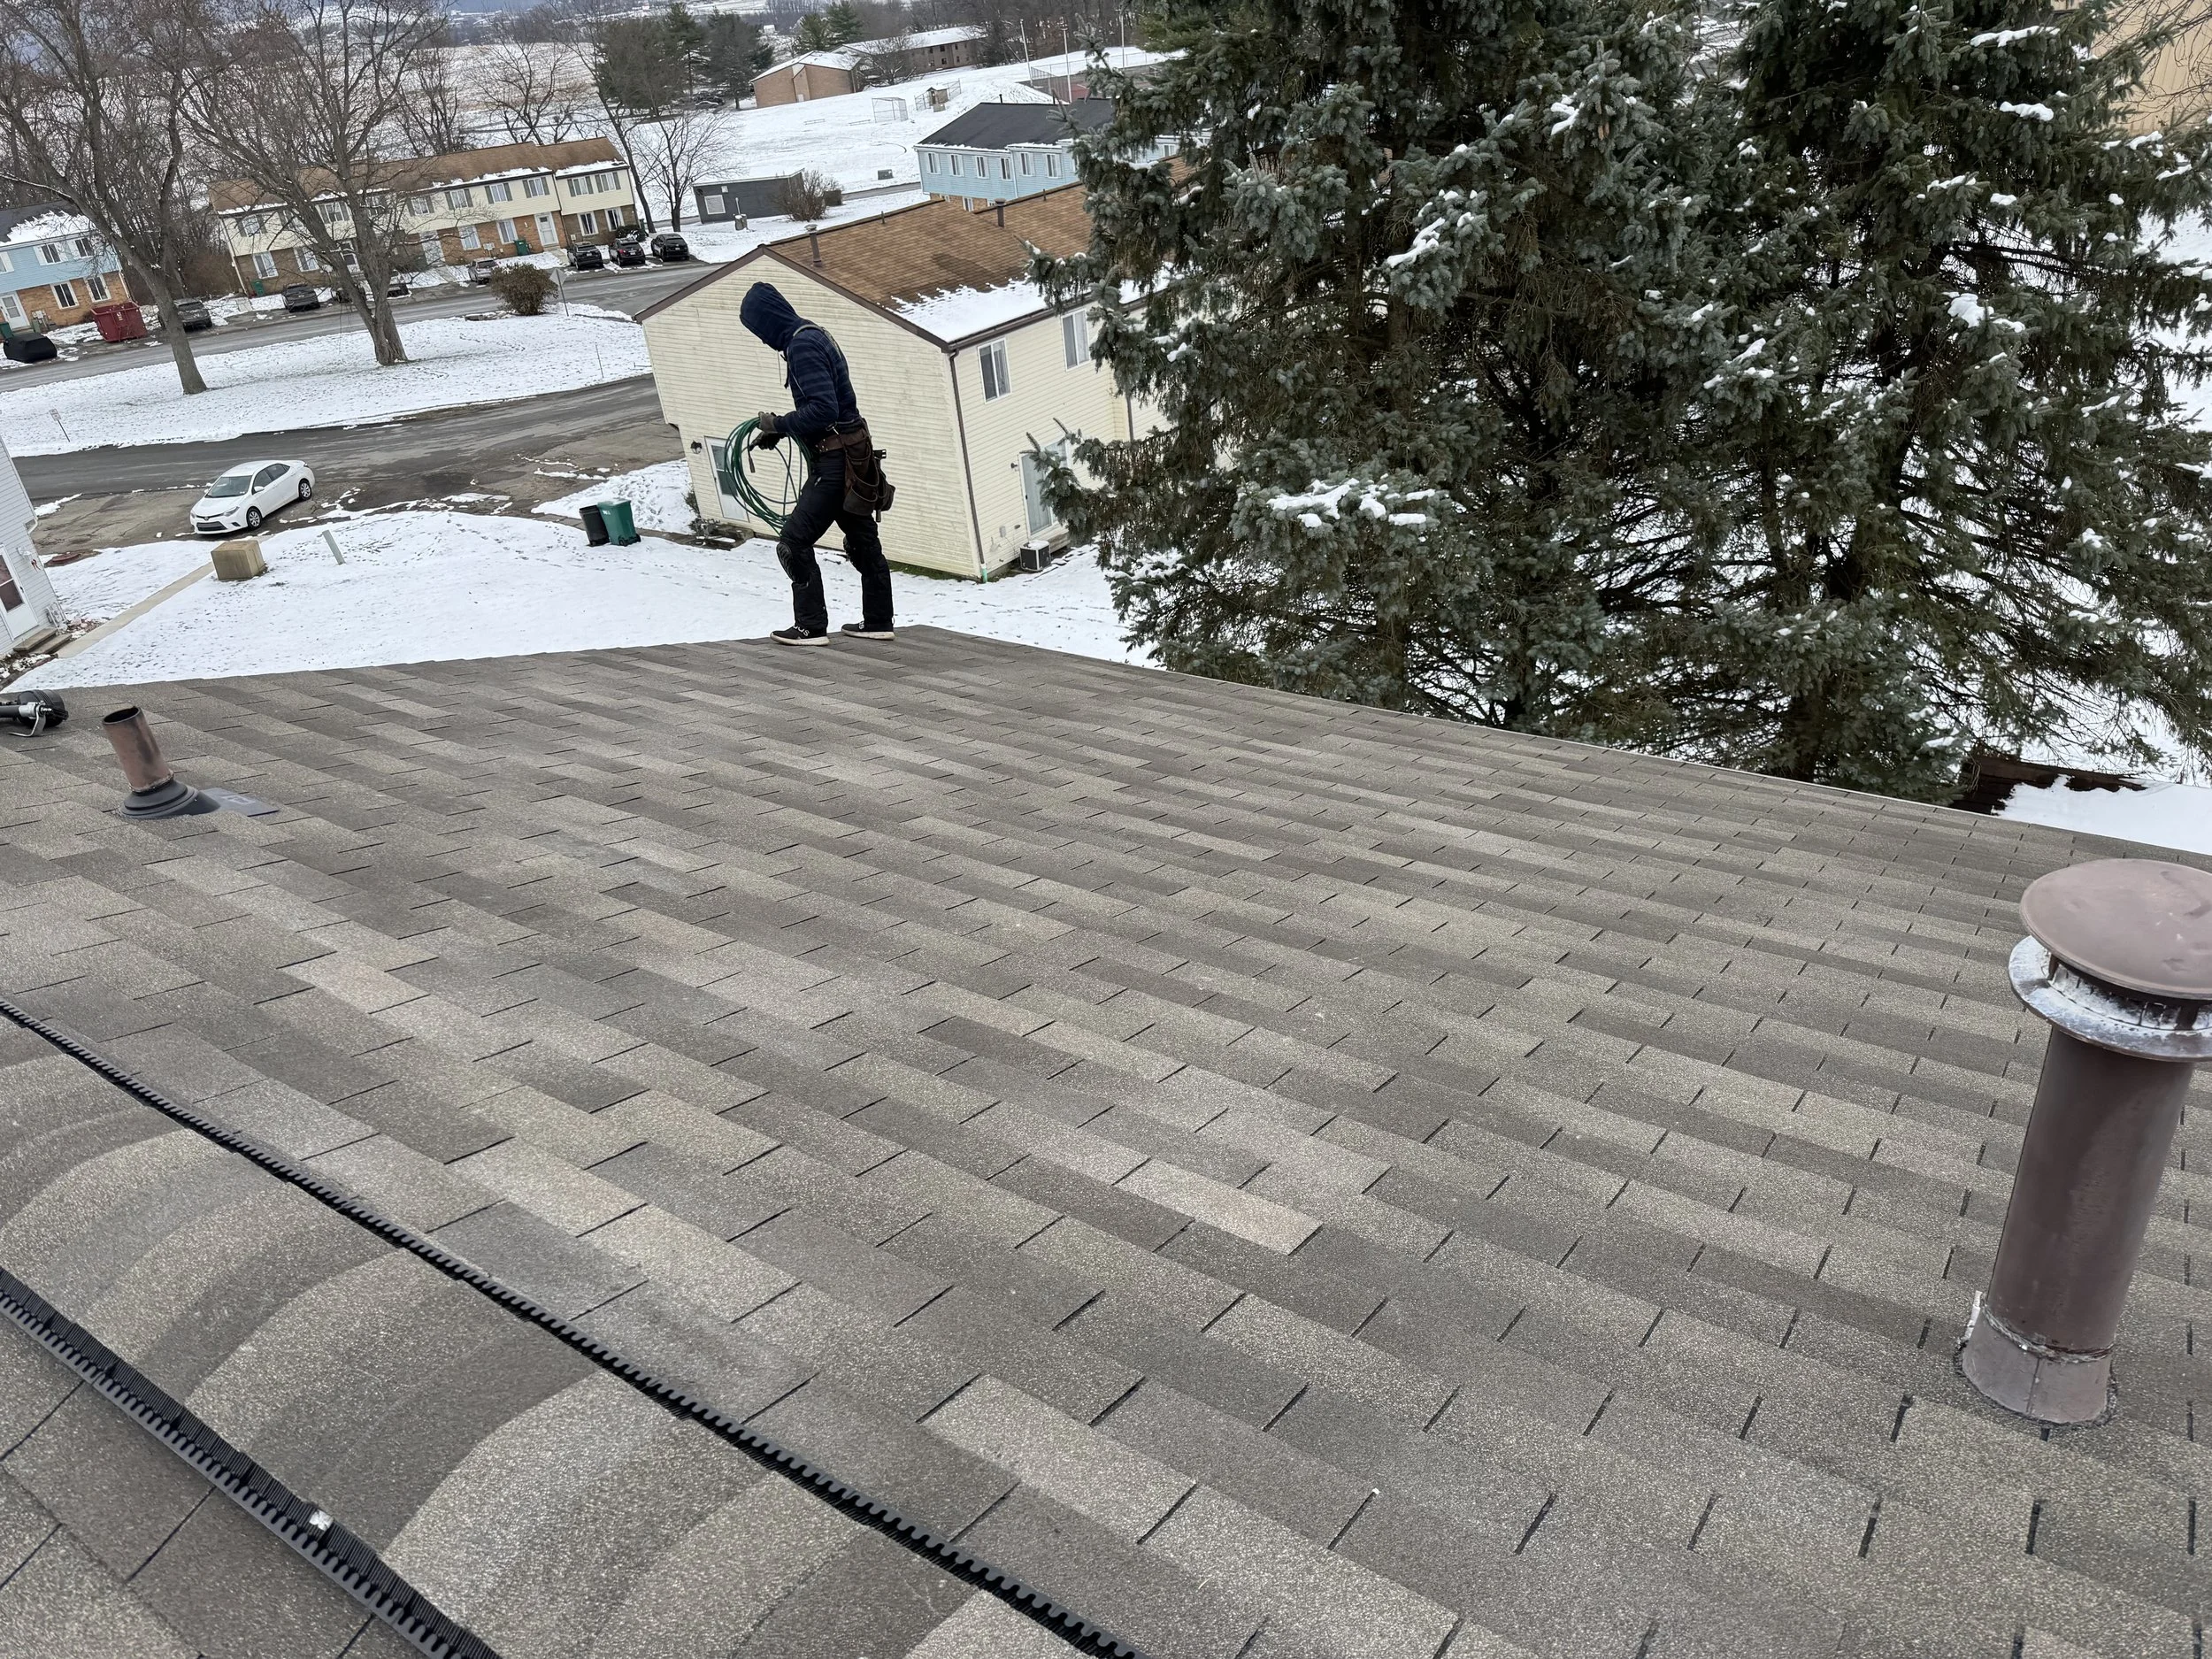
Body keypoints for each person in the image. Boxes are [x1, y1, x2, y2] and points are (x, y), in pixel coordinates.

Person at [738, 281, 894, 646]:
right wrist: (782, 431)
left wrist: (779, 424)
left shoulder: (802, 346)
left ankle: (810, 627)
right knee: (863, 544)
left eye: (760, 331)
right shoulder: (813, 333)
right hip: (855, 456)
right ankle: (878, 622)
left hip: (836, 462)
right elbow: (828, 408)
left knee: (793, 542)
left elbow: (823, 410)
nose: (763, 340)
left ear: (769, 321)